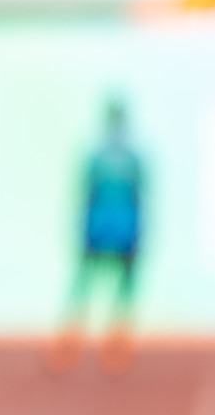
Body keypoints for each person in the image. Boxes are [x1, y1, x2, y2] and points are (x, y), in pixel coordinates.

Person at [48, 97, 145, 374]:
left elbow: (137, 199)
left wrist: (138, 233)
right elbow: (87, 196)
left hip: (119, 230)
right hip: (102, 229)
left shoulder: (125, 160)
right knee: (85, 288)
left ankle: (115, 345)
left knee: (119, 291)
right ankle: (72, 343)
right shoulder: (103, 159)